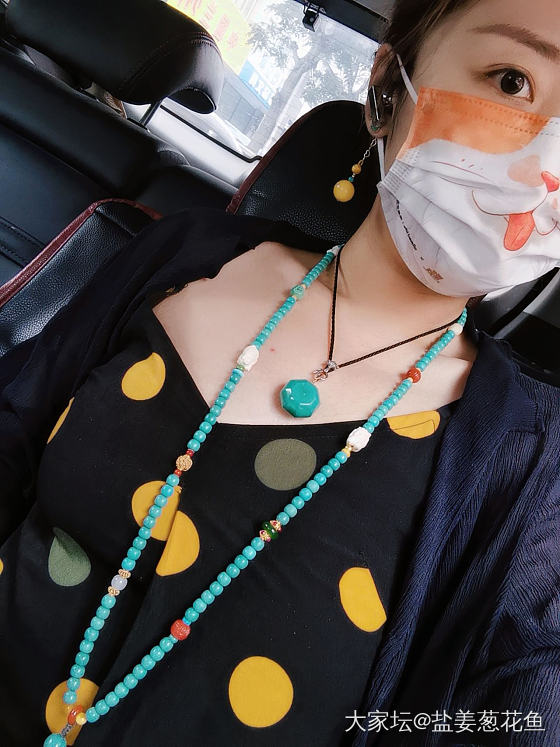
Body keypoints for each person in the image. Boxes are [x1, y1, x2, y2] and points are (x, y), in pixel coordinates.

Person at [1, 0, 559, 745]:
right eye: (513, 80)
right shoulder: (183, 257)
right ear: (388, 86)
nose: (546, 163)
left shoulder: (531, 470)